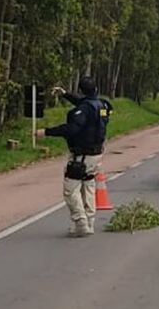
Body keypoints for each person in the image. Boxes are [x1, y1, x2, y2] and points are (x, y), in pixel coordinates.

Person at [36, 77, 113, 237]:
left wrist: (47, 132)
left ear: (81, 90)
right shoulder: (103, 106)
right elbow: (87, 103)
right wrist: (66, 94)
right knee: (88, 185)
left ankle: (80, 222)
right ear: (96, 89)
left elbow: (72, 128)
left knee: (70, 190)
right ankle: (89, 222)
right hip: (97, 154)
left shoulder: (84, 110)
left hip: (82, 156)